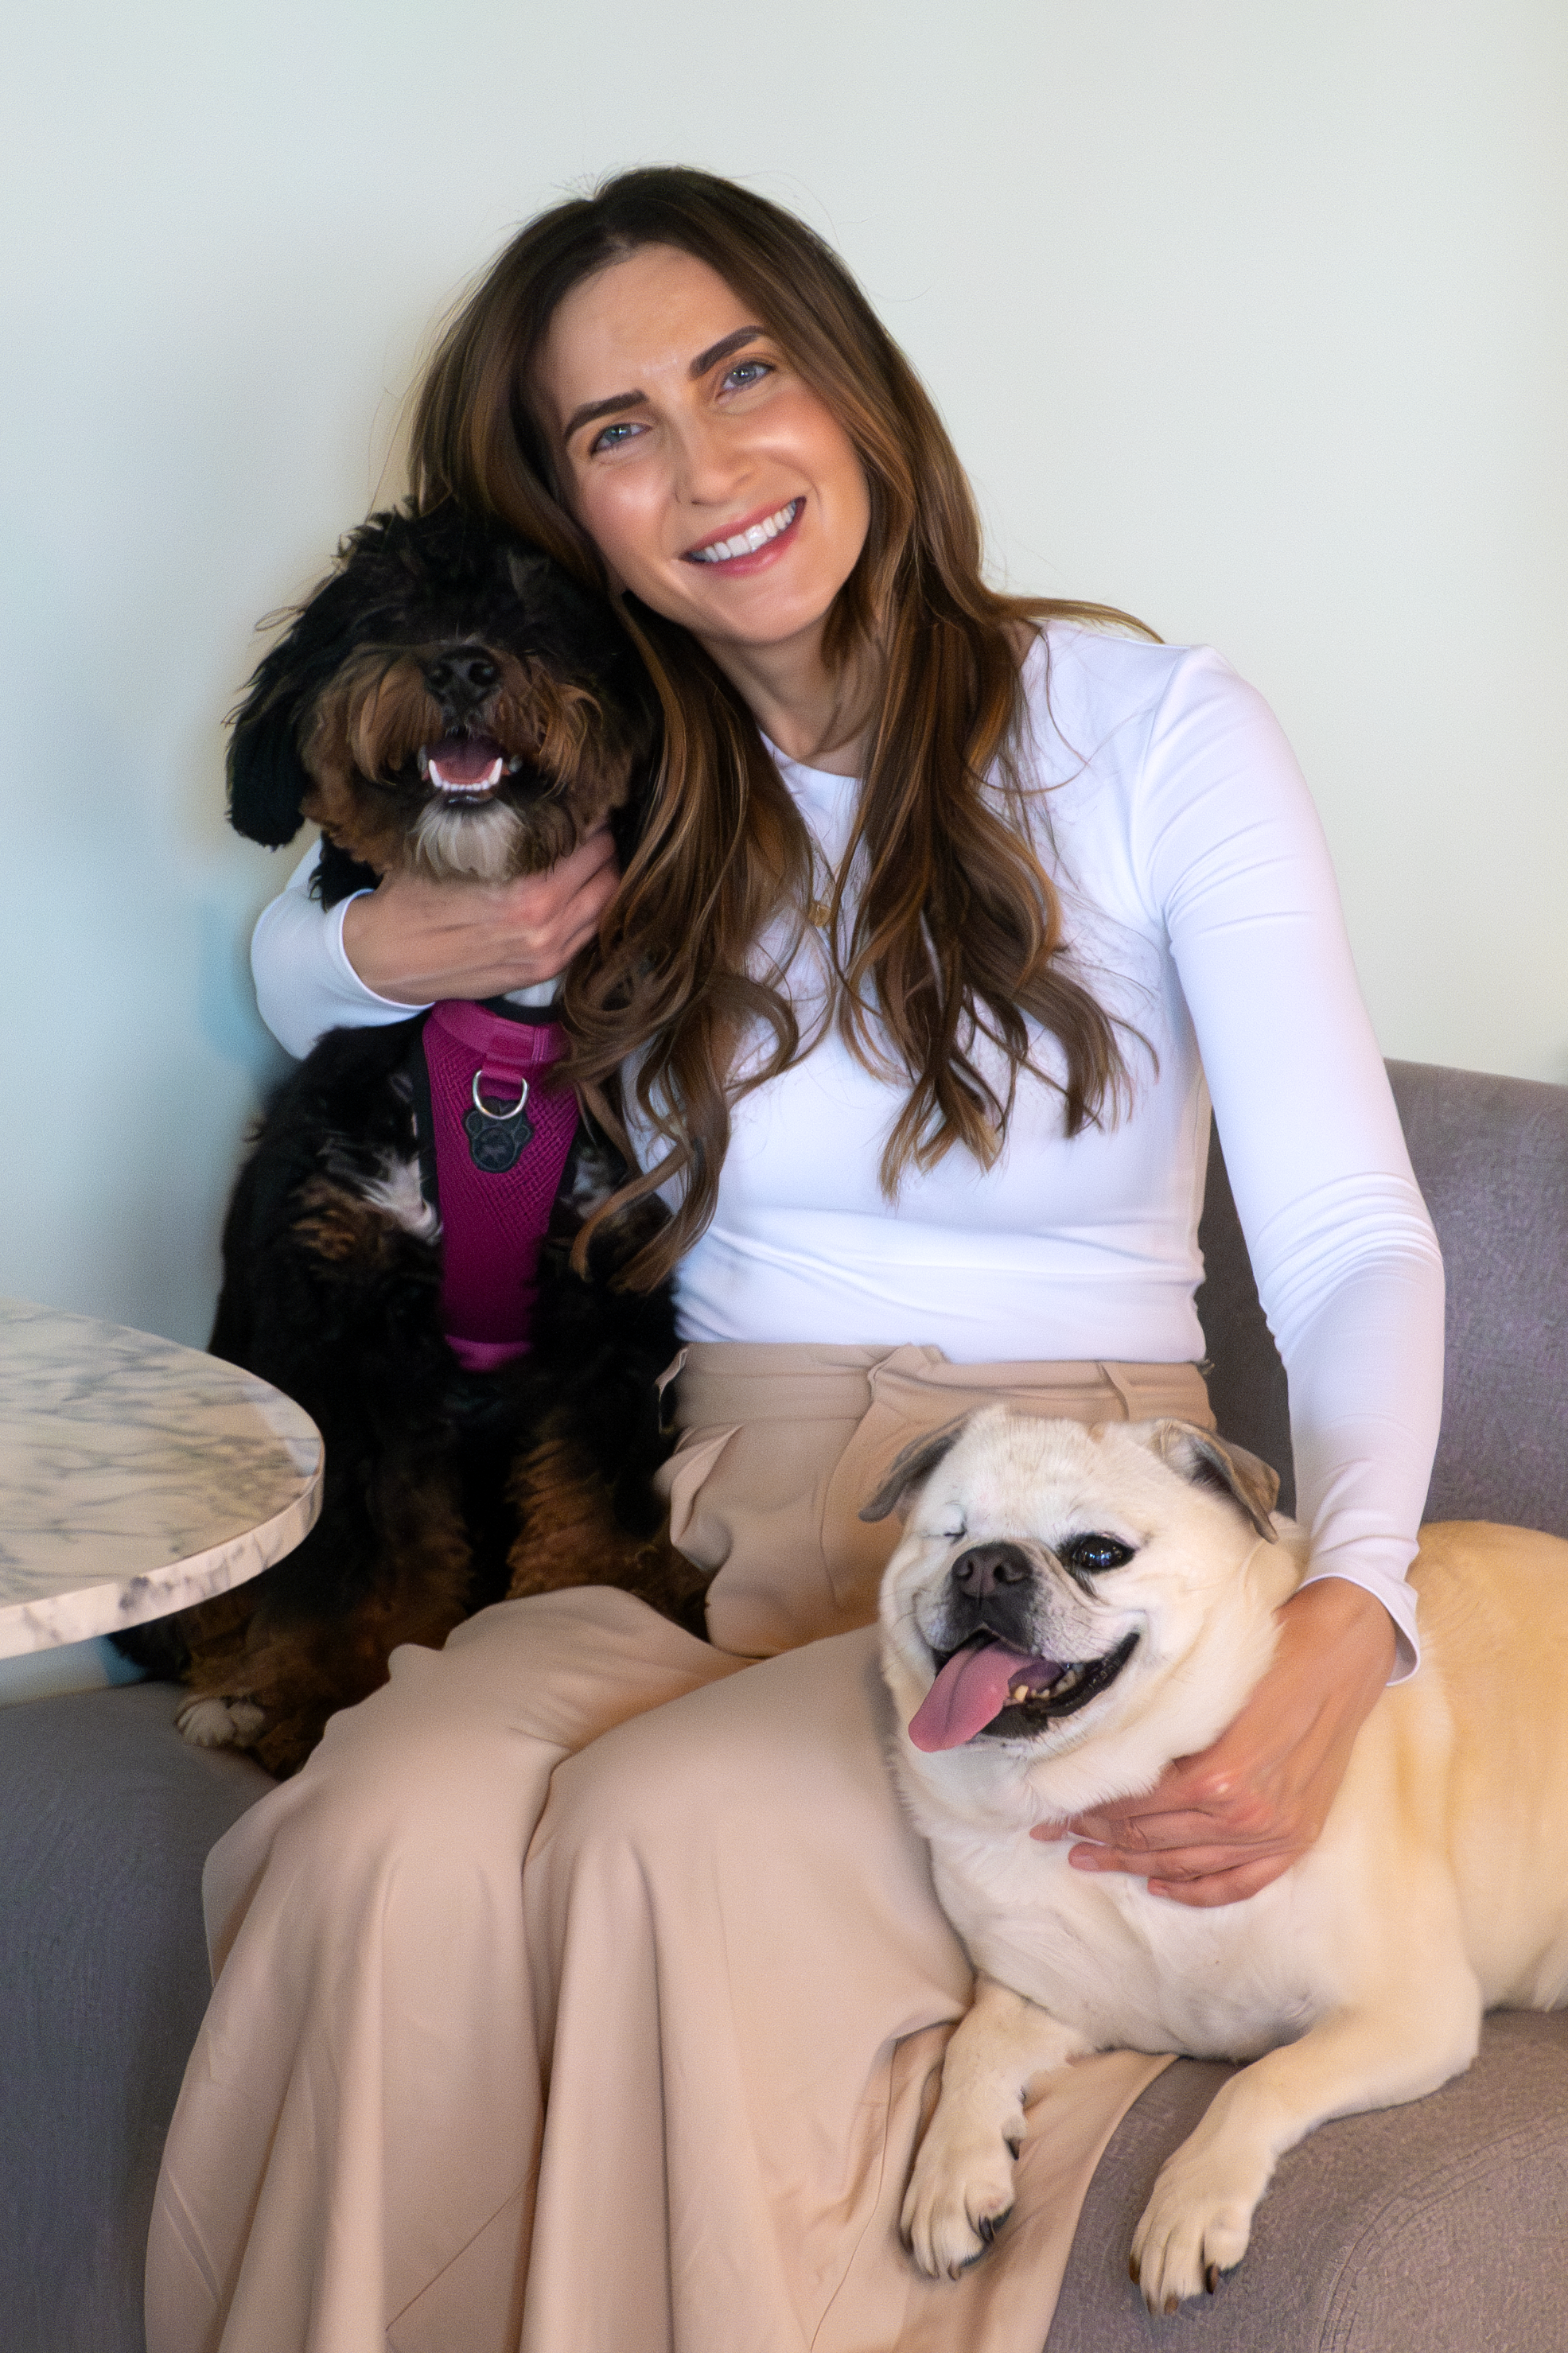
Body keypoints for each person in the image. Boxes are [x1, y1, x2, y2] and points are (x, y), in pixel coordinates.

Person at [146, 169, 1443, 2353]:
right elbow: (308, 952)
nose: (712, 460)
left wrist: (1355, 1614)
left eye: (742, 371)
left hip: (1057, 1525)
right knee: (381, 1830)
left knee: (663, 1841)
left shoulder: (1150, 730)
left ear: (850, 382)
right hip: (692, 1511)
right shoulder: (623, 774)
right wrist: (362, 936)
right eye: (618, 427)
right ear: (568, 504)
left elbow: (1348, 1238)